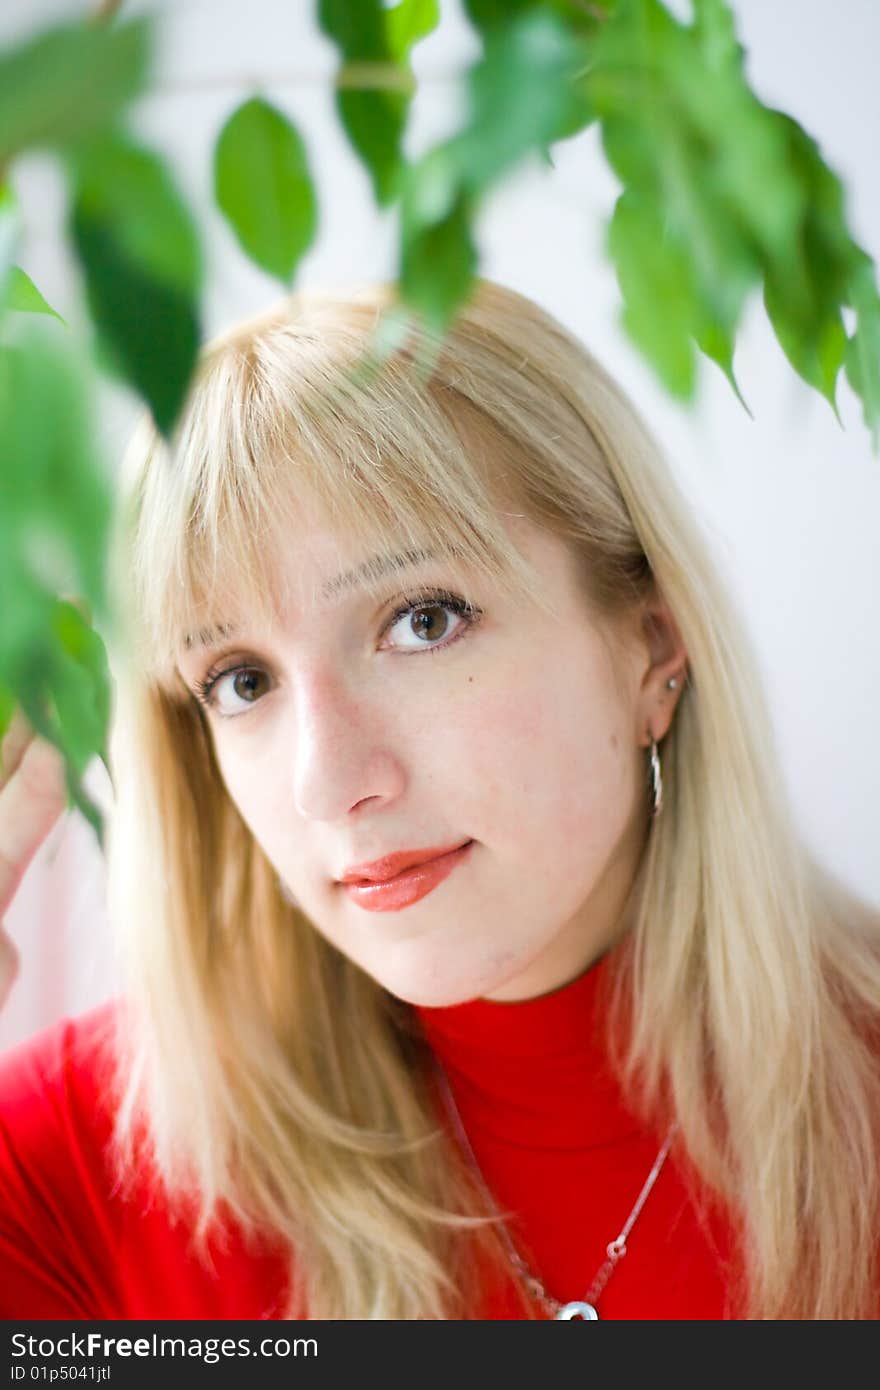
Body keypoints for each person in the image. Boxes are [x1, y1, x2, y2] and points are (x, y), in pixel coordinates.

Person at [1, 279, 879, 1321]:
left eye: (423, 620)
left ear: (650, 644)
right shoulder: (71, 1167)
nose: (326, 783)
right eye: (241, 680)